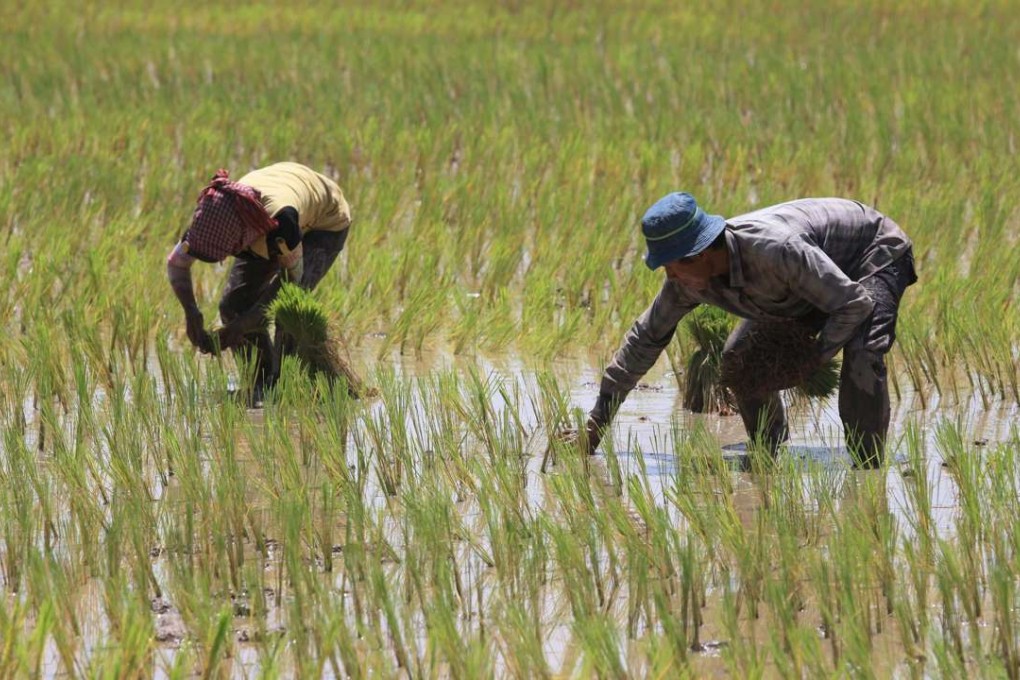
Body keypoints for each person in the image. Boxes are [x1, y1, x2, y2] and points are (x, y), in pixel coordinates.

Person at [575, 192, 916, 468]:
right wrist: (597, 424)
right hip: (806, 283)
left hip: (869, 253)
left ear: (700, 254)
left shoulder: (776, 252)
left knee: (863, 352)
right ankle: (766, 448)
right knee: (739, 359)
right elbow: (644, 339)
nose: (671, 277)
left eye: (672, 266)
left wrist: (811, 359)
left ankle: (868, 464)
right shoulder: (685, 283)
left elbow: (853, 304)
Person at [166, 161, 352, 403]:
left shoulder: (281, 227)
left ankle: (287, 386)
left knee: (288, 312)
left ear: (241, 240)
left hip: (323, 220)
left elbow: (291, 280)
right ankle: (262, 382)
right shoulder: (209, 222)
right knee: (233, 306)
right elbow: (177, 264)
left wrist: (242, 326)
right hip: (271, 209)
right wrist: (191, 313)